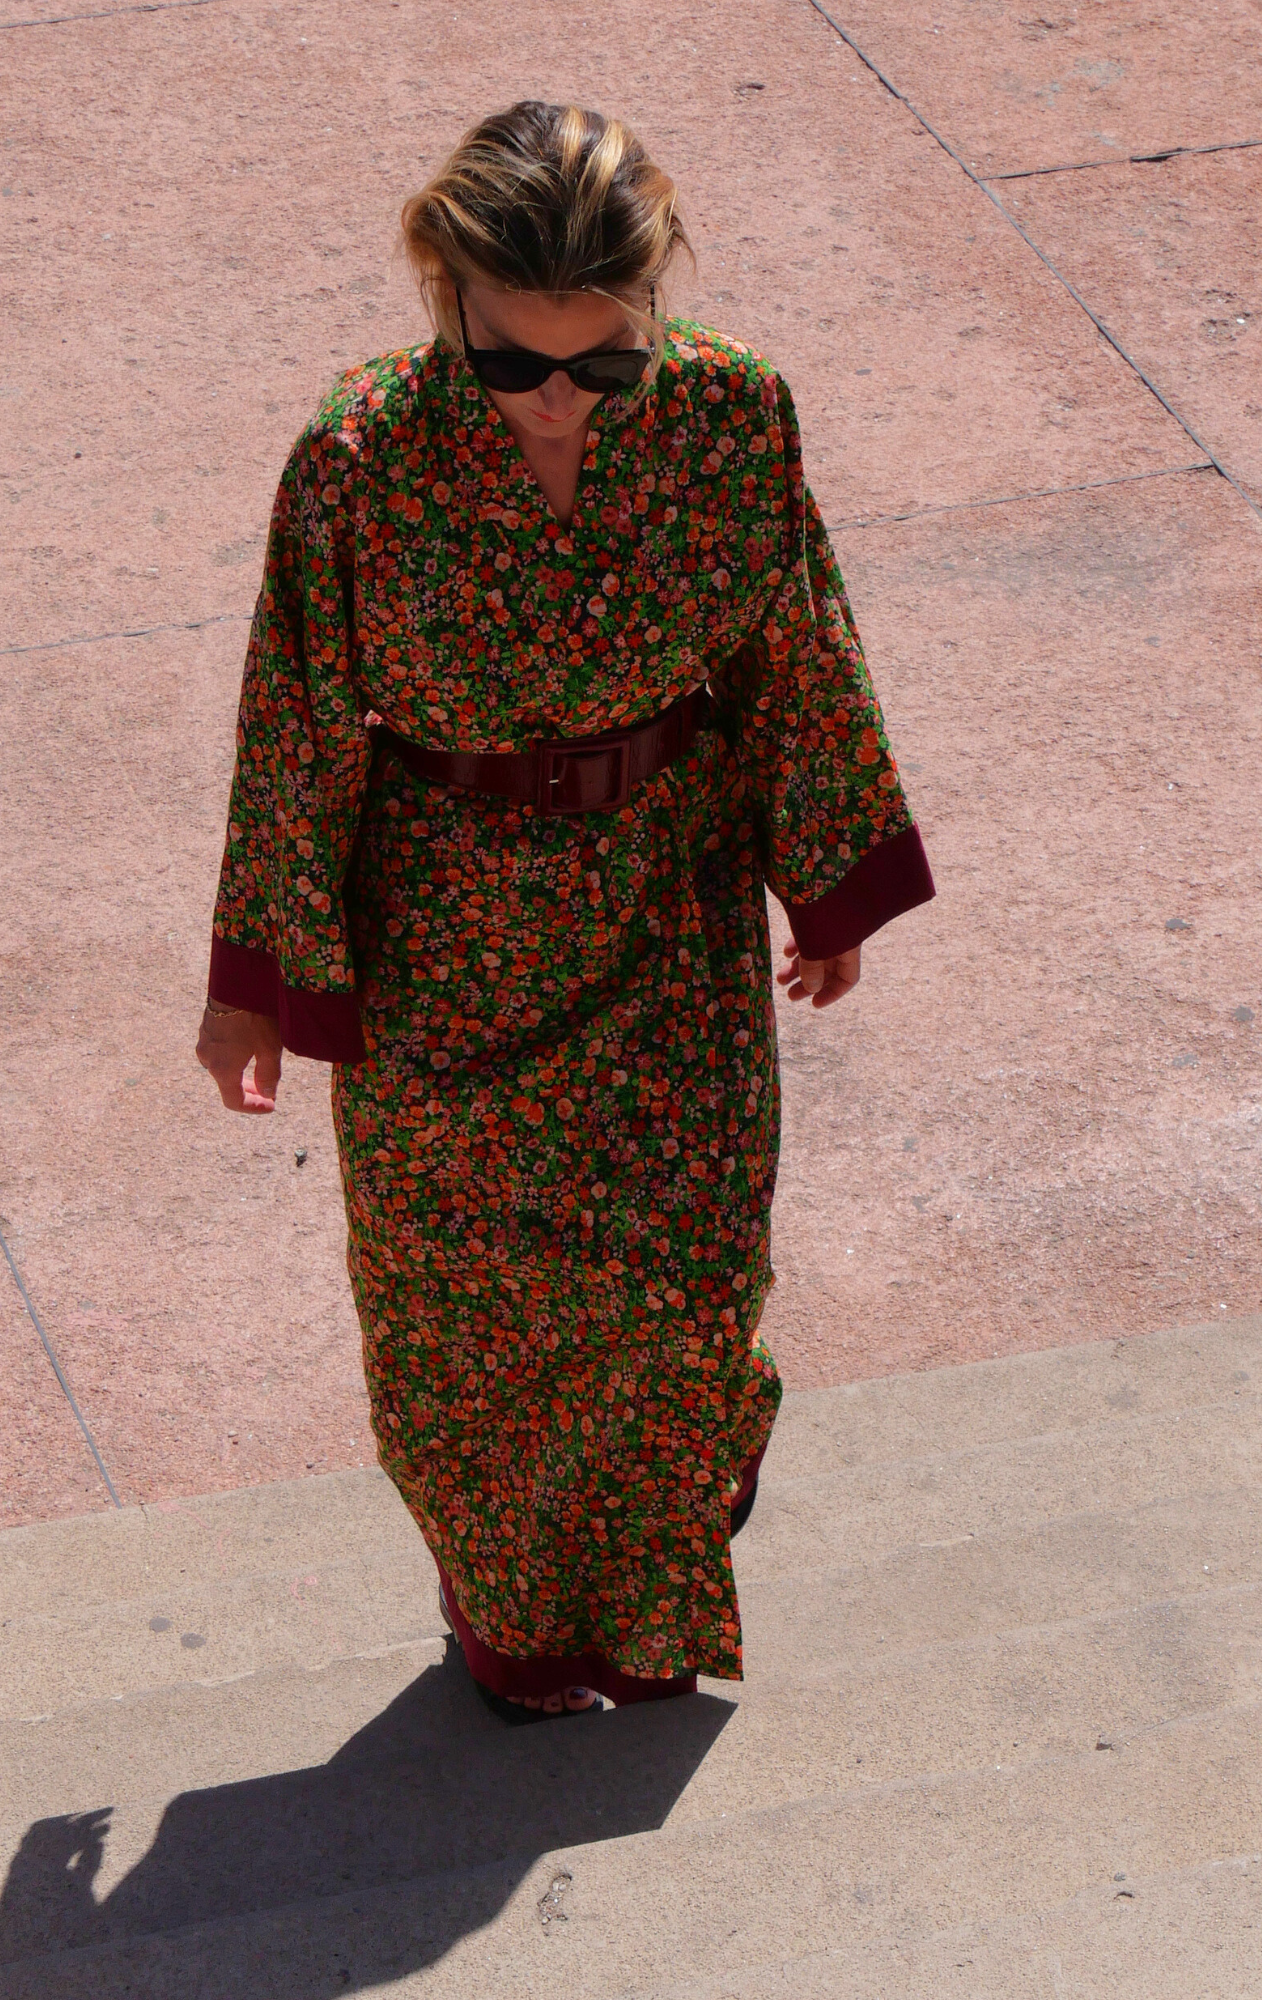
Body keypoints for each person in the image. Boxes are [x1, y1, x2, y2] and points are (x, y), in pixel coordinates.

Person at [196, 101, 933, 1721]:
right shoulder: (357, 454)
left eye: (598, 365)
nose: (552, 401)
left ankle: (657, 1554)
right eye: (508, 364)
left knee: (680, 1296)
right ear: (439, 293)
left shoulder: (732, 412)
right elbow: (297, 712)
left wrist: (828, 882)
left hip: (666, 906)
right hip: (439, 936)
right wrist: (254, 978)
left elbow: (793, 642)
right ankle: (520, 1627)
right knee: (466, 1329)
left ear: (651, 304)